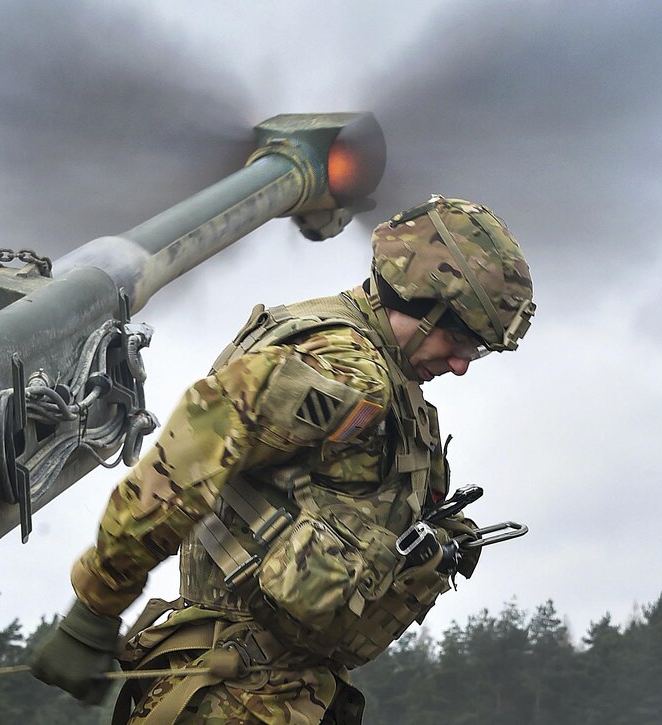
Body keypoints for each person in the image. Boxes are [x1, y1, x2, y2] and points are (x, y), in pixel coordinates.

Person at [31, 195, 536, 723]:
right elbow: (191, 450)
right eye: (459, 340)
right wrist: (96, 607)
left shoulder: (391, 385)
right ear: (421, 304)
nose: (460, 365)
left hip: (285, 691)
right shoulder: (346, 369)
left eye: (476, 351)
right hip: (239, 689)